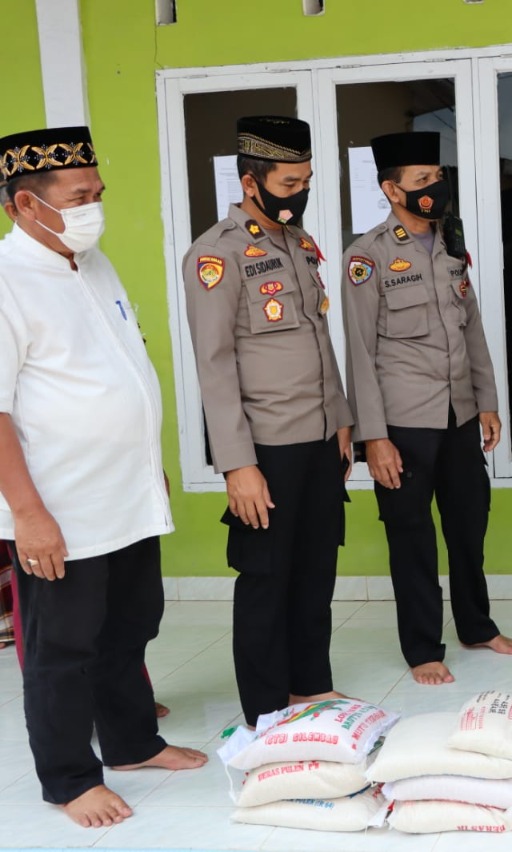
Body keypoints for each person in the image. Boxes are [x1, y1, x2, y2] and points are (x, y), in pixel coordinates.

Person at [0, 126, 206, 828]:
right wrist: (28, 515)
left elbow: (123, 375)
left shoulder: (92, 263)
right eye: (79, 197)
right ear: (26, 204)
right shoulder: (5, 280)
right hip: (62, 508)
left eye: (98, 193)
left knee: (130, 628)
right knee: (63, 649)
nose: (95, 207)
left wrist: (151, 472)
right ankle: (68, 778)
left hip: (127, 497)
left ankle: (131, 744)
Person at [183, 116, 352, 728]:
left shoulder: (301, 245)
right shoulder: (216, 254)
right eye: (288, 182)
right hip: (266, 447)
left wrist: (341, 418)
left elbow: (319, 339)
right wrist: (238, 464)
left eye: (306, 180)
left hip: (319, 437)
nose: (299, 192)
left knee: (315, 567)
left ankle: (310, 685)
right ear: (250, 182)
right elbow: (215, 363)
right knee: (265, 578)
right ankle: (265, 707)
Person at [342, 131, 512, 687]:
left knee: (469, 526)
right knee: (412, 537)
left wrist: (488, 402)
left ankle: (476, 624)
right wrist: (374, 437)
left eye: (437, 177)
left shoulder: (451, 247)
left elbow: (473, 331)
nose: (434, 188)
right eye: (422, 181)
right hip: (403, 423)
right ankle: (421, 647)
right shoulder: (366, 257)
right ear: (391, 189)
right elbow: (359, 353)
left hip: (459, 415)